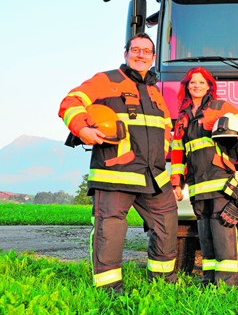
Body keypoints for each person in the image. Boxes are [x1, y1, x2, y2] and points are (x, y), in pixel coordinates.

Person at [58, 33, 178, 294]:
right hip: (115, 173)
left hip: (154, 176)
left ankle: (162, 284)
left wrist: (166, 161)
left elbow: (167, 129)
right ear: (125, 53)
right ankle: (110, 291)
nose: (140, 55)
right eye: (135, 50)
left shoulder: (155, 92)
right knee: (110, 232)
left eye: (147, 52)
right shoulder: (106, 80)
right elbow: (70, 102)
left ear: (153, 58)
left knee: (167, 225)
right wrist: (82, 130)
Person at [170, 66, 238, 286]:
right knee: (205, 235)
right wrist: (176, 183)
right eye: (192, 82)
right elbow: (177, 153)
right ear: (187, 86)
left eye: (201, 82)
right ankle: (209, 281)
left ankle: (227, 284)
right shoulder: (182, 118)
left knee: (222, 233)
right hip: (197, 186)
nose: (196, 86)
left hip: (220, 182)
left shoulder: (219, 107)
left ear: (209, 85)